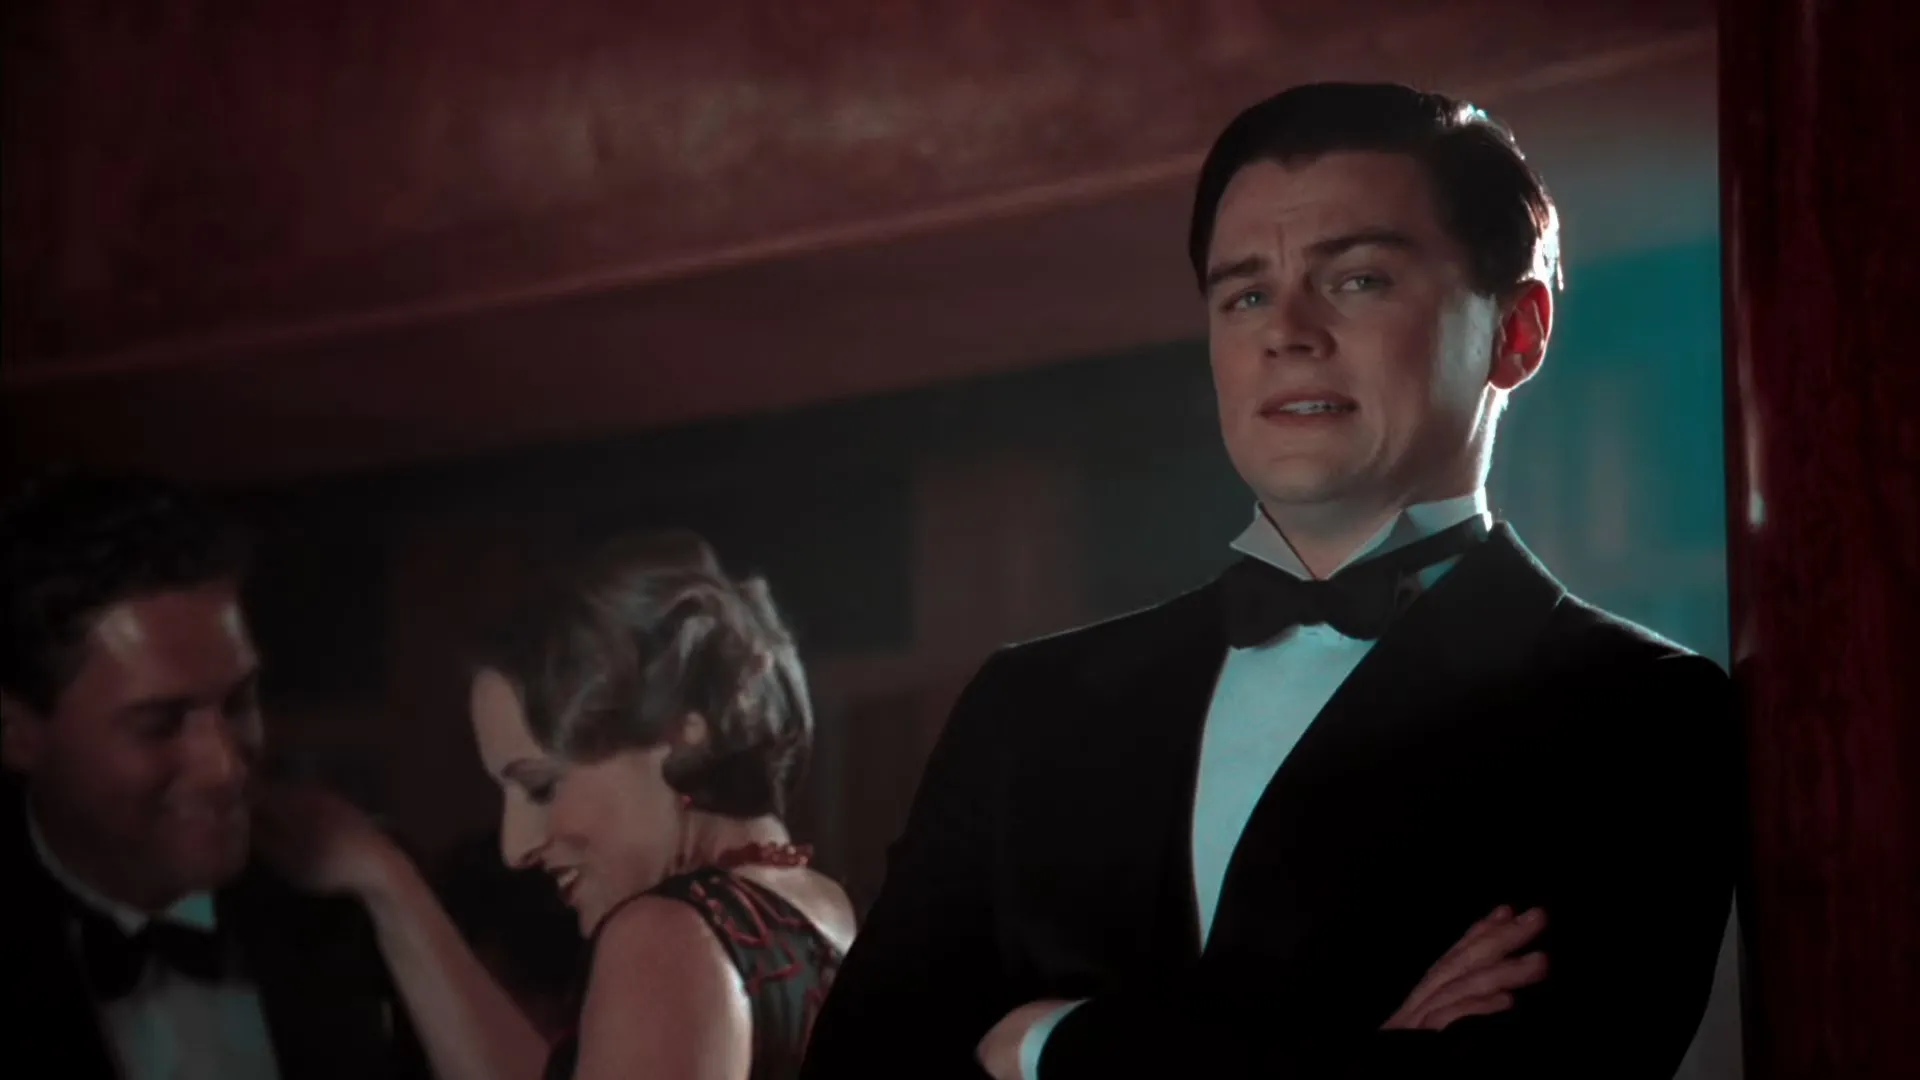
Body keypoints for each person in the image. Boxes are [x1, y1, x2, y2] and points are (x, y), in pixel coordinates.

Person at [798, 82, 1736, 1080]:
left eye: (1358, 280)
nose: (1285, 331)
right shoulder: (1025, 705)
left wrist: (1046, 1041)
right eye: (1244, 294)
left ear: (1517, 330)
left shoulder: (1636, 711)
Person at [258, 531, 855, 1080]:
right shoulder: (825, 915)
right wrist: (387, 883)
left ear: (680, 730)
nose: (514, 848)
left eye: (542, 787)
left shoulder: (665, 936)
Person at [0, 470, 424, 1080]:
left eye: (239, 702)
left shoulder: (348, 908)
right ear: (18, 735)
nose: (225, 768)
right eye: (160, 723)